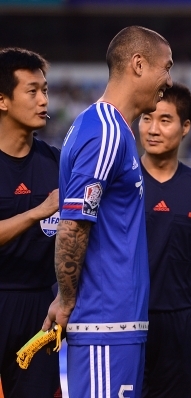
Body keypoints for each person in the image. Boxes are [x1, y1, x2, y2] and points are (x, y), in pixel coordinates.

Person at [42, 26, 173, 397]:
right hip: (103, 324)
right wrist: (67, 300)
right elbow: (72, 226)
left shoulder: (112, 130)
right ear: (138, 64)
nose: (168, 80)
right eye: (166, 67)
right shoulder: (106, 132)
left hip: (117, 325)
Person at [139, 83, 191, 398]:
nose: (153, 129)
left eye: (165, 120)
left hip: (181, 321)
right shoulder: (121, 182)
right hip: (126, 317)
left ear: (185, 126)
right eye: (147, 118)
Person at [0, 47, 61, 398]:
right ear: (3, 101)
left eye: (46, 90)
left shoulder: (57, 163)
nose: (43, 100)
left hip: (41, 308)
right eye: (32, 91)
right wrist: (37, 212)